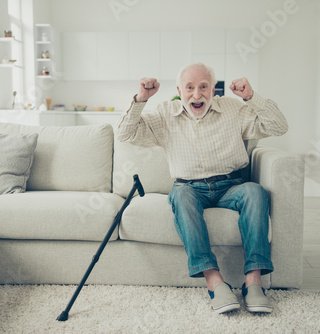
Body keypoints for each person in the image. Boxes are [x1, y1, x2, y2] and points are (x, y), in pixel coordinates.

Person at [115, 63, 288, 314]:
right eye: (190, 87)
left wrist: (250, 97)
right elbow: (124, 135)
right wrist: (141, 99)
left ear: (214, 89)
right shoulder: (165, 113)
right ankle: (214, 281)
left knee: (255, 191)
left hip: (232, 185)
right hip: (189, 188)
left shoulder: (232, 109)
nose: (197, 95)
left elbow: (279, 126)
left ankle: (253, 281)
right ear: (179, 90)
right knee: (181, 195)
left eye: (203, 87)